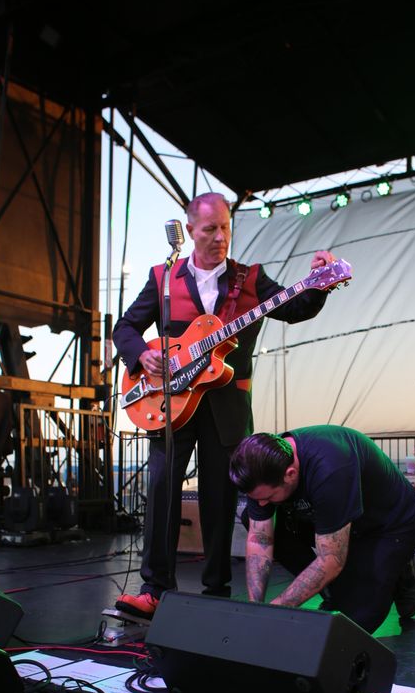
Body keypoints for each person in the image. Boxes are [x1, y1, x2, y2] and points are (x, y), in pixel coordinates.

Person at [112, 192, 338, 619]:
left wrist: (318, 285)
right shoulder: (163, 277)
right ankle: (154, 589)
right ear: (190, 230)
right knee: (161, 494)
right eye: (209, 229)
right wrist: (142, 354)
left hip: (227, 408)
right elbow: (125, 327)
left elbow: (294, 308)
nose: (219, 237)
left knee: (219, 500)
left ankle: (216, 592)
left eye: (225, 228)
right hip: (169, 403)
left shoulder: (250, 279)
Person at [228, 426, 415, 633]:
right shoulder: (260, 466)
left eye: (268, 497)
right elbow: (260, 539)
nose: (261, 504)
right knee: (253, 518)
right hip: (327, 517)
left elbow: (331, 560)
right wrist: (255, 607)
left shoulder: (331, 469)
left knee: (352, 626)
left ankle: (401, 570)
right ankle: (332, 590)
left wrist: (277, 609)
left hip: (386, 525)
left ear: (290, 474)